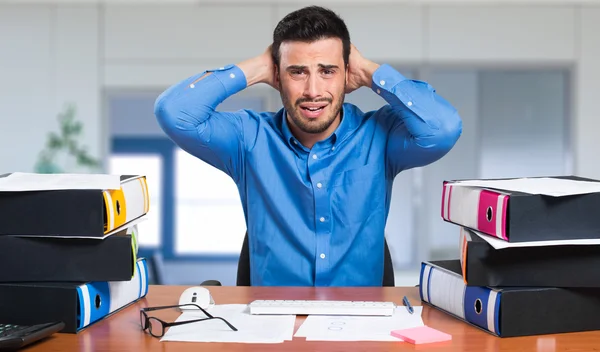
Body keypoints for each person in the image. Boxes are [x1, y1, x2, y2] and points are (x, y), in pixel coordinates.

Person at [154, 6, 462, 286]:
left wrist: (371, 72)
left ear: (347, 74)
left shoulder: (379, 135)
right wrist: (257, 67)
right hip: (271, 328)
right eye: (297, 72)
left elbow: (443, 129)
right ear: (278, 75)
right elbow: (174, 113)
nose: (313, 91)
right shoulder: (248, 137)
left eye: (327, 71)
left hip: (361, 325)